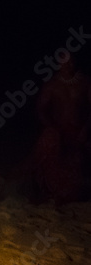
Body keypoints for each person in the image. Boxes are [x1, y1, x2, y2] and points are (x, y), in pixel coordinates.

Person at [23, 55, 91, 204]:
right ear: (58, 64)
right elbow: (41, 109)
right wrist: (52, 127)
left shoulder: (86, 82)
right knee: (47, 145)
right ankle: (47, 189)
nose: (69, 64)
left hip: (80, 133)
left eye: (72, 61)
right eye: (64, 62)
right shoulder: (51, 84)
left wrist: (85, 130)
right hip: (59, 132)